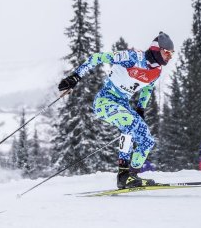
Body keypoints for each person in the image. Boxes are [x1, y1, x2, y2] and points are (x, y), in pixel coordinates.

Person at [58, 31, 174, 189]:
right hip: (105, 101)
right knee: (129, 124)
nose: (169, 56)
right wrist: (75, 77)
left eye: (171, 53)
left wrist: (140, 109)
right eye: (166, 52)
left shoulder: (157, 71)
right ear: (156, 49)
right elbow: (97, 58)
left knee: (147, 140)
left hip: (123, 104)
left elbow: (148, 89)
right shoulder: (132, 57)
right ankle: (123, 175)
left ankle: (132, 176)